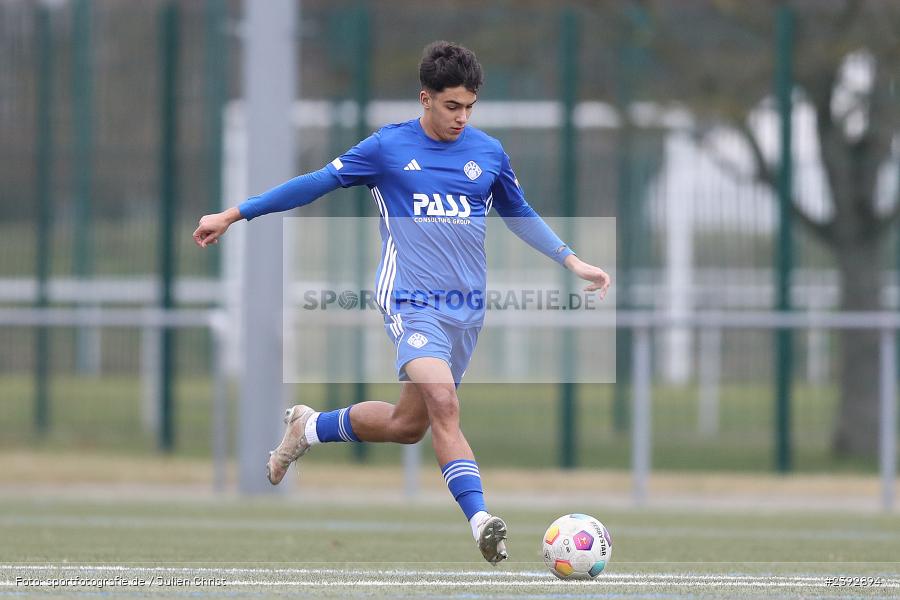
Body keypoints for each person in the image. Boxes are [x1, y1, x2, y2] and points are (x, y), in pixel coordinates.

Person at [193, 41, 611, 565]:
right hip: (410, 300)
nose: (461, 117)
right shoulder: (388, 149)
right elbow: (315, 184)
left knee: (406, 425)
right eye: (451, 106)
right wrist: (234, 214)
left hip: (466, 309)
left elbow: (520, 213)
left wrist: (572, 261)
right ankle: (482, 521)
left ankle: (309, 428)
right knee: (445, 402)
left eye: (469, 106)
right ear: (425, 99)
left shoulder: (488, 153)